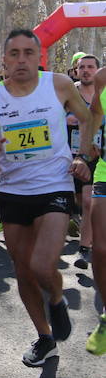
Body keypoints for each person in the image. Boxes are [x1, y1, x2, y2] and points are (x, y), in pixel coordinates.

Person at [0, 29, 93, 368]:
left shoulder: (58, 85)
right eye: (14, 53)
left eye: (29, 52)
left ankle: (56, 298)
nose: (22, 59)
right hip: (13, 191)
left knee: (43, 265)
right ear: (4, 60)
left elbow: (89, 122)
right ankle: (45, 337)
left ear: (39, 56)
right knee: (24, 272)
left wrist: (83, 158)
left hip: (55, 186)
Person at [67, 53, 101, 269]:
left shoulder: (104, 92)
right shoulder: (68, 93)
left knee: (89, 200)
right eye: (82, 67)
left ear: (98, 69)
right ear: (76, 71)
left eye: (91, 66)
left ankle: (84, 248)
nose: (86, 70)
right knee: (79, 200)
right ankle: (77, 218)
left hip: (97, 155)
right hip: (70, 154)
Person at [83, 59, 106, 355]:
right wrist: (86, 146)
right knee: (100, 249)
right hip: (105, 170)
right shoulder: (102, 77)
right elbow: (95, 112)